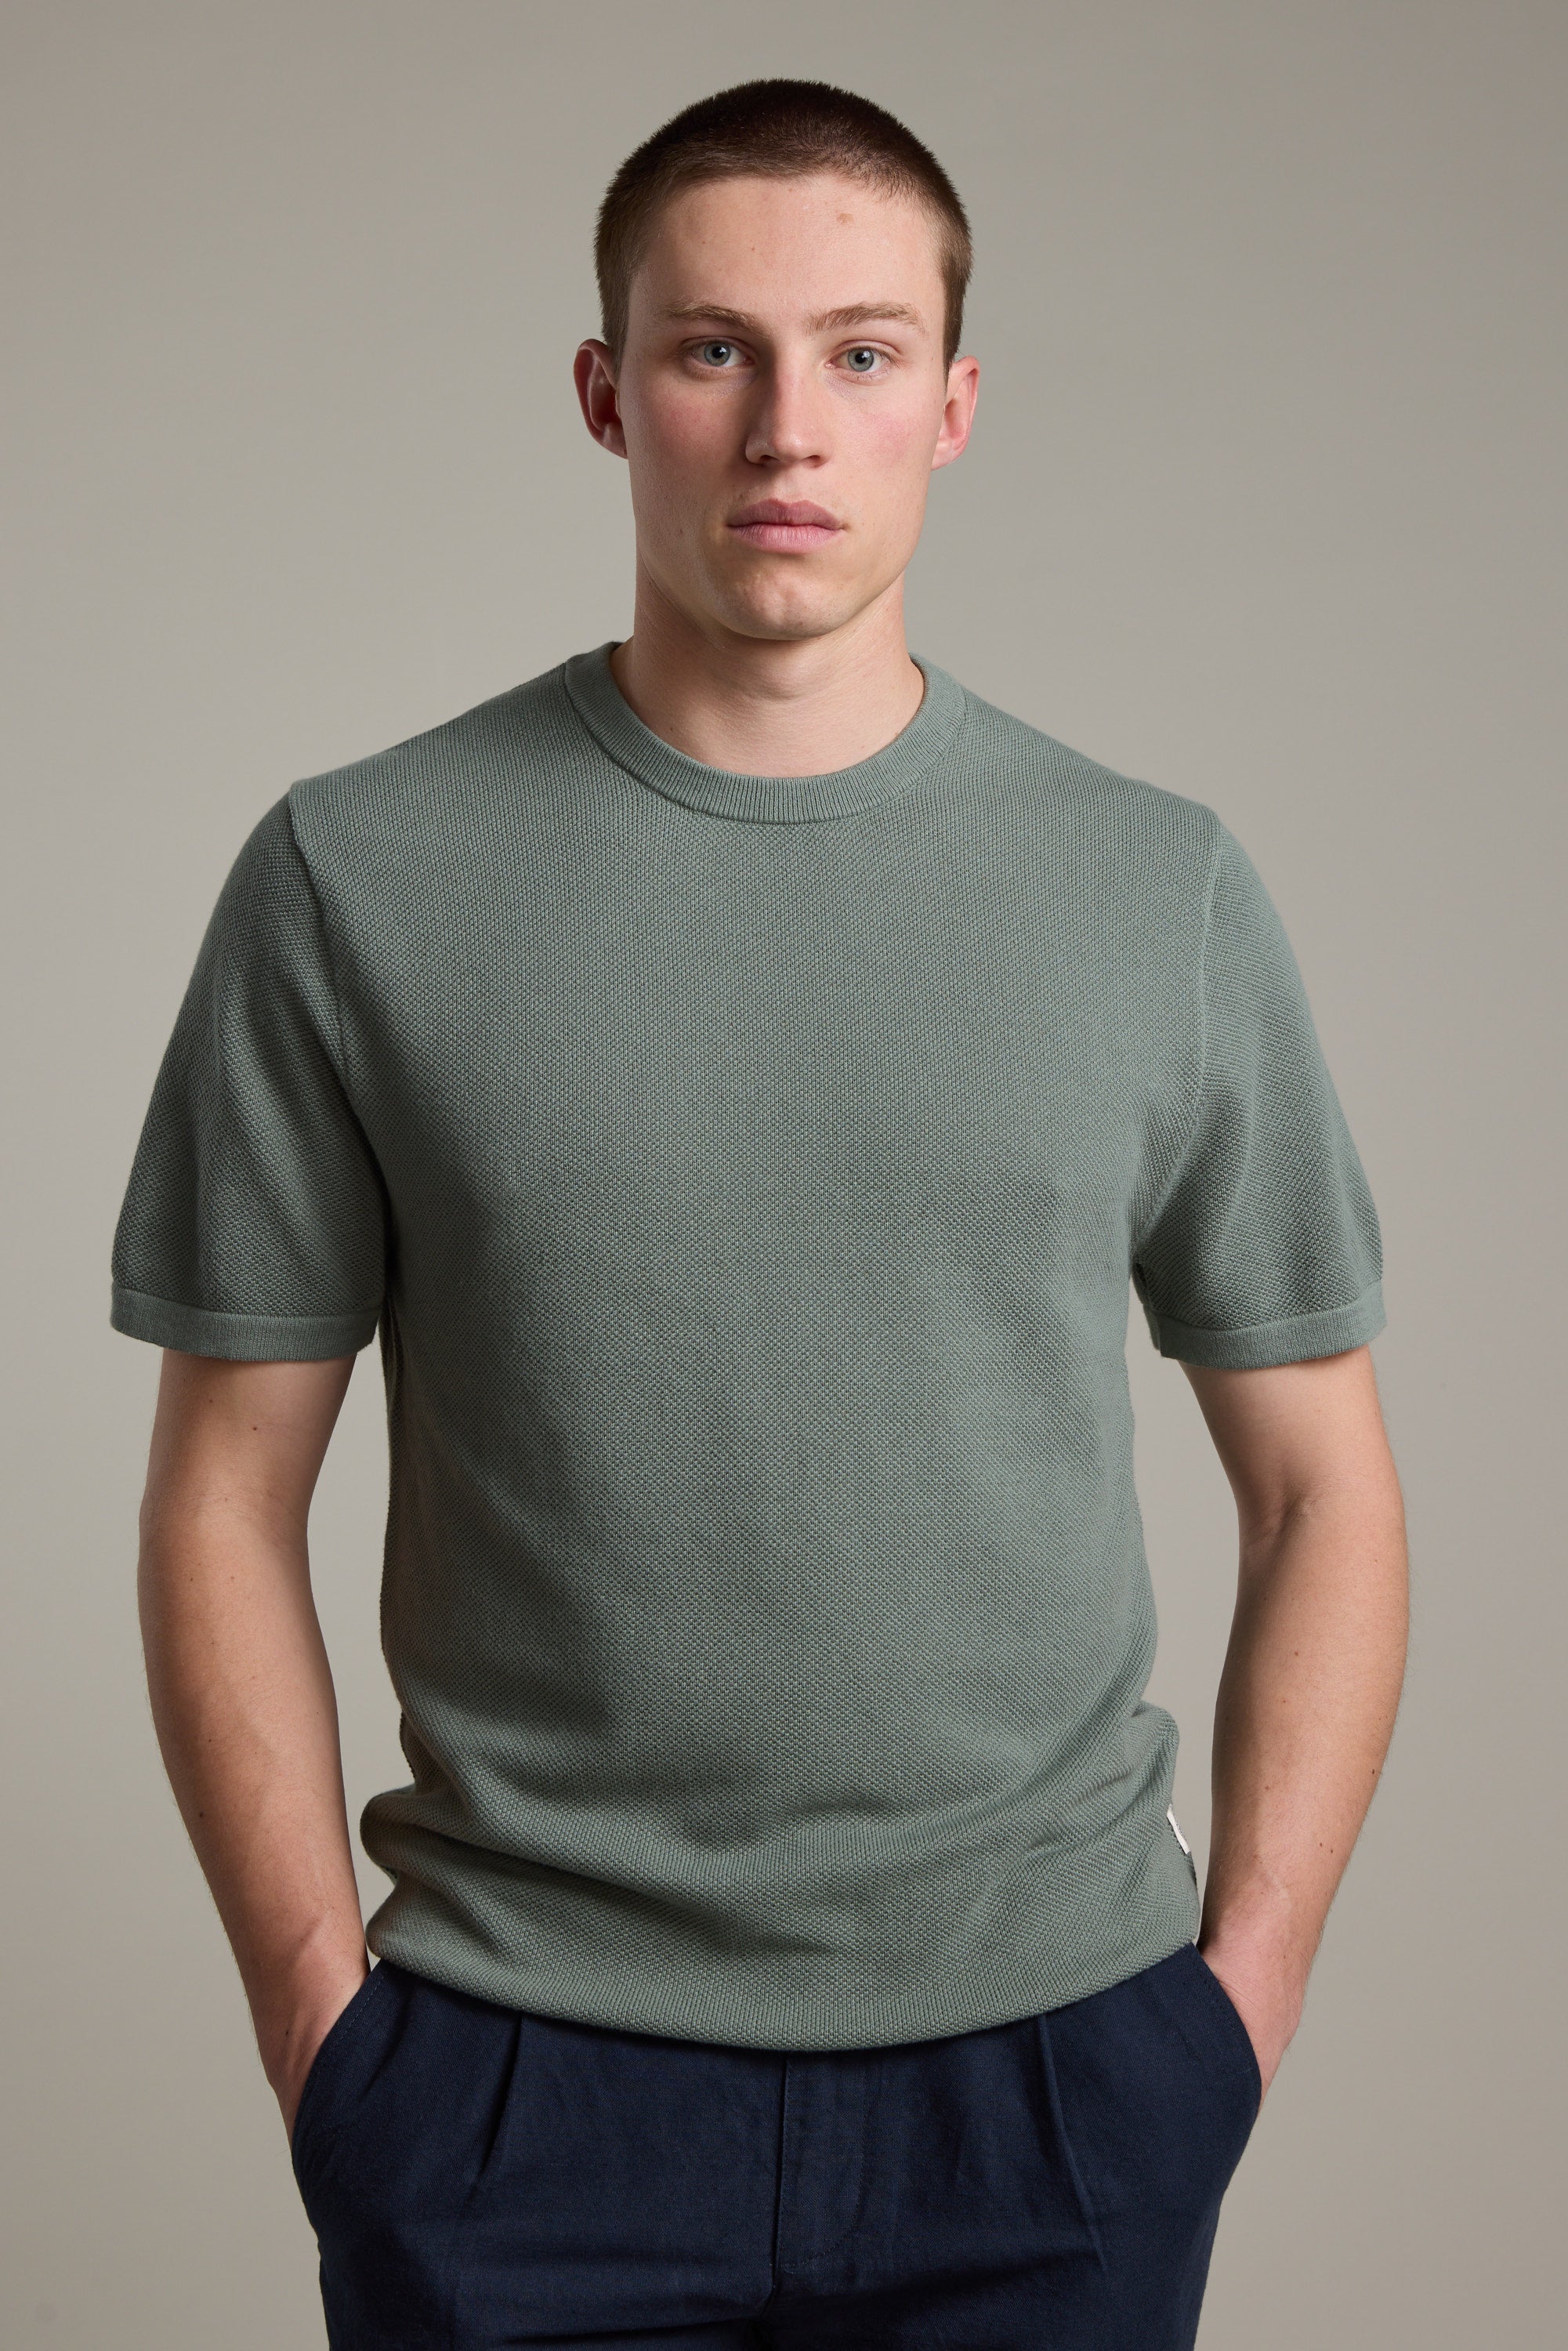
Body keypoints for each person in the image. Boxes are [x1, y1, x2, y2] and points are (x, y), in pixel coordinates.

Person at [110, 75, 1408, 2351]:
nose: (786, 424)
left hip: (1052, 2080)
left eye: (862, 351)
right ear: (610, 396)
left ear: (955, 404)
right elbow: (225, 1495)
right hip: (512, 2081)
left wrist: (1232, 2005)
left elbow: (1321, 1487)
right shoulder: (356, 877)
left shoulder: (1153, 890)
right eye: (713, 351)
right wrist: (326, 2029)